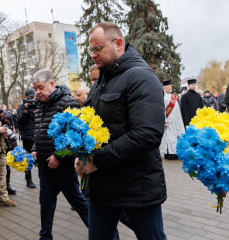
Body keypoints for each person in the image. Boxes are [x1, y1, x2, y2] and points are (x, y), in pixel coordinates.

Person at [75, 22, 166, 240]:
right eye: (91, 50)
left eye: (98, 49)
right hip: (102, 188)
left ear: (118, 43)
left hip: (136, 188)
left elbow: (147, 134)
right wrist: (81, 155)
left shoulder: (141, 77)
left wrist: (97, 161)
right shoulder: (101, 82)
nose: (94, 55)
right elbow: (91, 126)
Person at [31, 69, 88, 240]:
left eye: (40, 87)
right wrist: (35, 148)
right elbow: (39, 130)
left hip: (62, 166)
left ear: (51, 84)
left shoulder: (68, 103)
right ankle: (45, 236)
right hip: (44, 164)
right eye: (35, 88)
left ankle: (102, 233)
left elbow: (76, 135)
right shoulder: (41, 104)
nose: (37, 92)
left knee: (78, 202)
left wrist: (58, 156)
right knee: (46, 203)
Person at [159, 79, 185, 160]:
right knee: (169, 137)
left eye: (171, 86)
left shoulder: (172, 96)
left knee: (175, 137)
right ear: (165, 87)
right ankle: (169, 153)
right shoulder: (162, 96)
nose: (171, 87)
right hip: (168, 120)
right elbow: (162, 110)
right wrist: (164, 120)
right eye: (169, 86)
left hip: (176, 121)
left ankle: (175, 152)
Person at [16, 89, 37, 188]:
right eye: (30, 97)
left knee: (40, 157)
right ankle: (28, 179)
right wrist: (26, 110)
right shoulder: (21, 107)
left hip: (37, 136)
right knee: (27, 159)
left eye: (33, 97)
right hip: (27, 137)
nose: (32, 99)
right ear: (25, 97)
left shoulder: (37, 105)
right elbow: (19, 120)